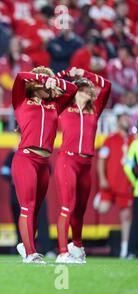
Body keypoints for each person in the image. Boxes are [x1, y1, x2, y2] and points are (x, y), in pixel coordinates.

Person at [11, 66, 77, 264]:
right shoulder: (21, 101)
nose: (47, 84)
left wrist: (55, 81)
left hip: (44, 162)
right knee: (28, 207)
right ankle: (30, 254)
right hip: (26, 158)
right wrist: (42, 77)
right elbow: (21, 77)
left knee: (37, 209)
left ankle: (26, 244)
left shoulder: (55, 104)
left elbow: (72, 89)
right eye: (43, 81)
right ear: (35, 83)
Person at [54, 67, 111, 264]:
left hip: (86, 164)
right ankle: (63, 252)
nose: (89, 91)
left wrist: (85, 74)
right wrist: (67, 72)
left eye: (89, 89)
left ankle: (77, 246)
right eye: (85, 88)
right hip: (67, 161)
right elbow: (52, 82)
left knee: (79, 210)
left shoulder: (94, 110)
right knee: (67, 207)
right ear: (75, 91)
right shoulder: (63, 107)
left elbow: (107, 86)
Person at [96, 106, 134, 258]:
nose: (127, 120)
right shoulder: (110, 139)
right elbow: (101, 160)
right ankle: (99, 196)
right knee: (102, 209)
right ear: (118, 121)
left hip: (126, 184)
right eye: (124, 118)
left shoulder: (133, 140)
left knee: (126, 217)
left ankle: (125, 249)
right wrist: (103, 178)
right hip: (110, 183)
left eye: (128, 118)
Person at [123, 137, 138, 259]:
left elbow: (127, 167)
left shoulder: (135, 144)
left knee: (136, 223)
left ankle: (132, 252)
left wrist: (135, 182)